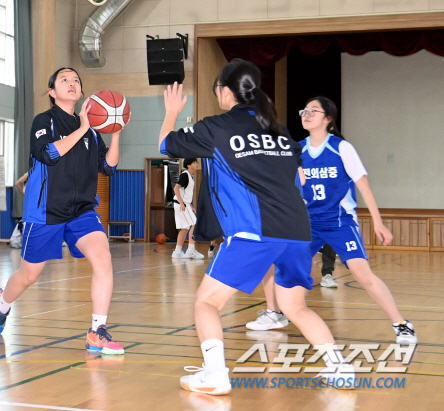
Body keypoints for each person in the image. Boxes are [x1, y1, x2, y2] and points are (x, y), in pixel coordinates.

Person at [159, 60, 354, 395]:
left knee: (206, 303)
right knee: (295, 307)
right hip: (296, 231)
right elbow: (299, 174)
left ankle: (215, 373)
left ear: (224, 90)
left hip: (253, 232)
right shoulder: (278, 130)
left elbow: (166, 145)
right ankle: (340, 368)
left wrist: (172, 112)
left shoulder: (217, 127)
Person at [247, 96, 417, 345]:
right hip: (307, 222)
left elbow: (363, 185)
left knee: (363, 276)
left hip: (340, 222)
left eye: (313, 110)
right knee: (273, 261)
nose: (307, 114)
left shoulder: (341, 148)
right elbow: (293, 187)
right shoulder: (298, 149)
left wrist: (378, 222)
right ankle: (275, 314)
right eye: (304, 110)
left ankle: (401, 324)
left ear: (328, 118)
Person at [0, 67, 125, 354]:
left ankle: (97, 331)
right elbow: (48, 153)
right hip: (45, 211)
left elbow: (109, 167)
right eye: (64, 80)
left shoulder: (90, 131)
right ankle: (1, 304)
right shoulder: (44, 121)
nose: (72, 83)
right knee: (29, 275)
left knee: (103, 258)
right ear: (52, 92)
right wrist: (83, 129)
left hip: (82, 211)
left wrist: (114, 132)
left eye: (76, 80)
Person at [172, 158, 204, 259]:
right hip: (181, 204)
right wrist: (182, 203)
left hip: (184, 204)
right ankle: (190, 250)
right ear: (189, 165)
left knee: (185, 228)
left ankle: (177, 252)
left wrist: (190, 206)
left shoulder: (191, 176)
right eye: (194, 162)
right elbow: (176, 188)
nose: (197, 164)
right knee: (194, 224)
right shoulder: (185, 175)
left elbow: (185, 193)